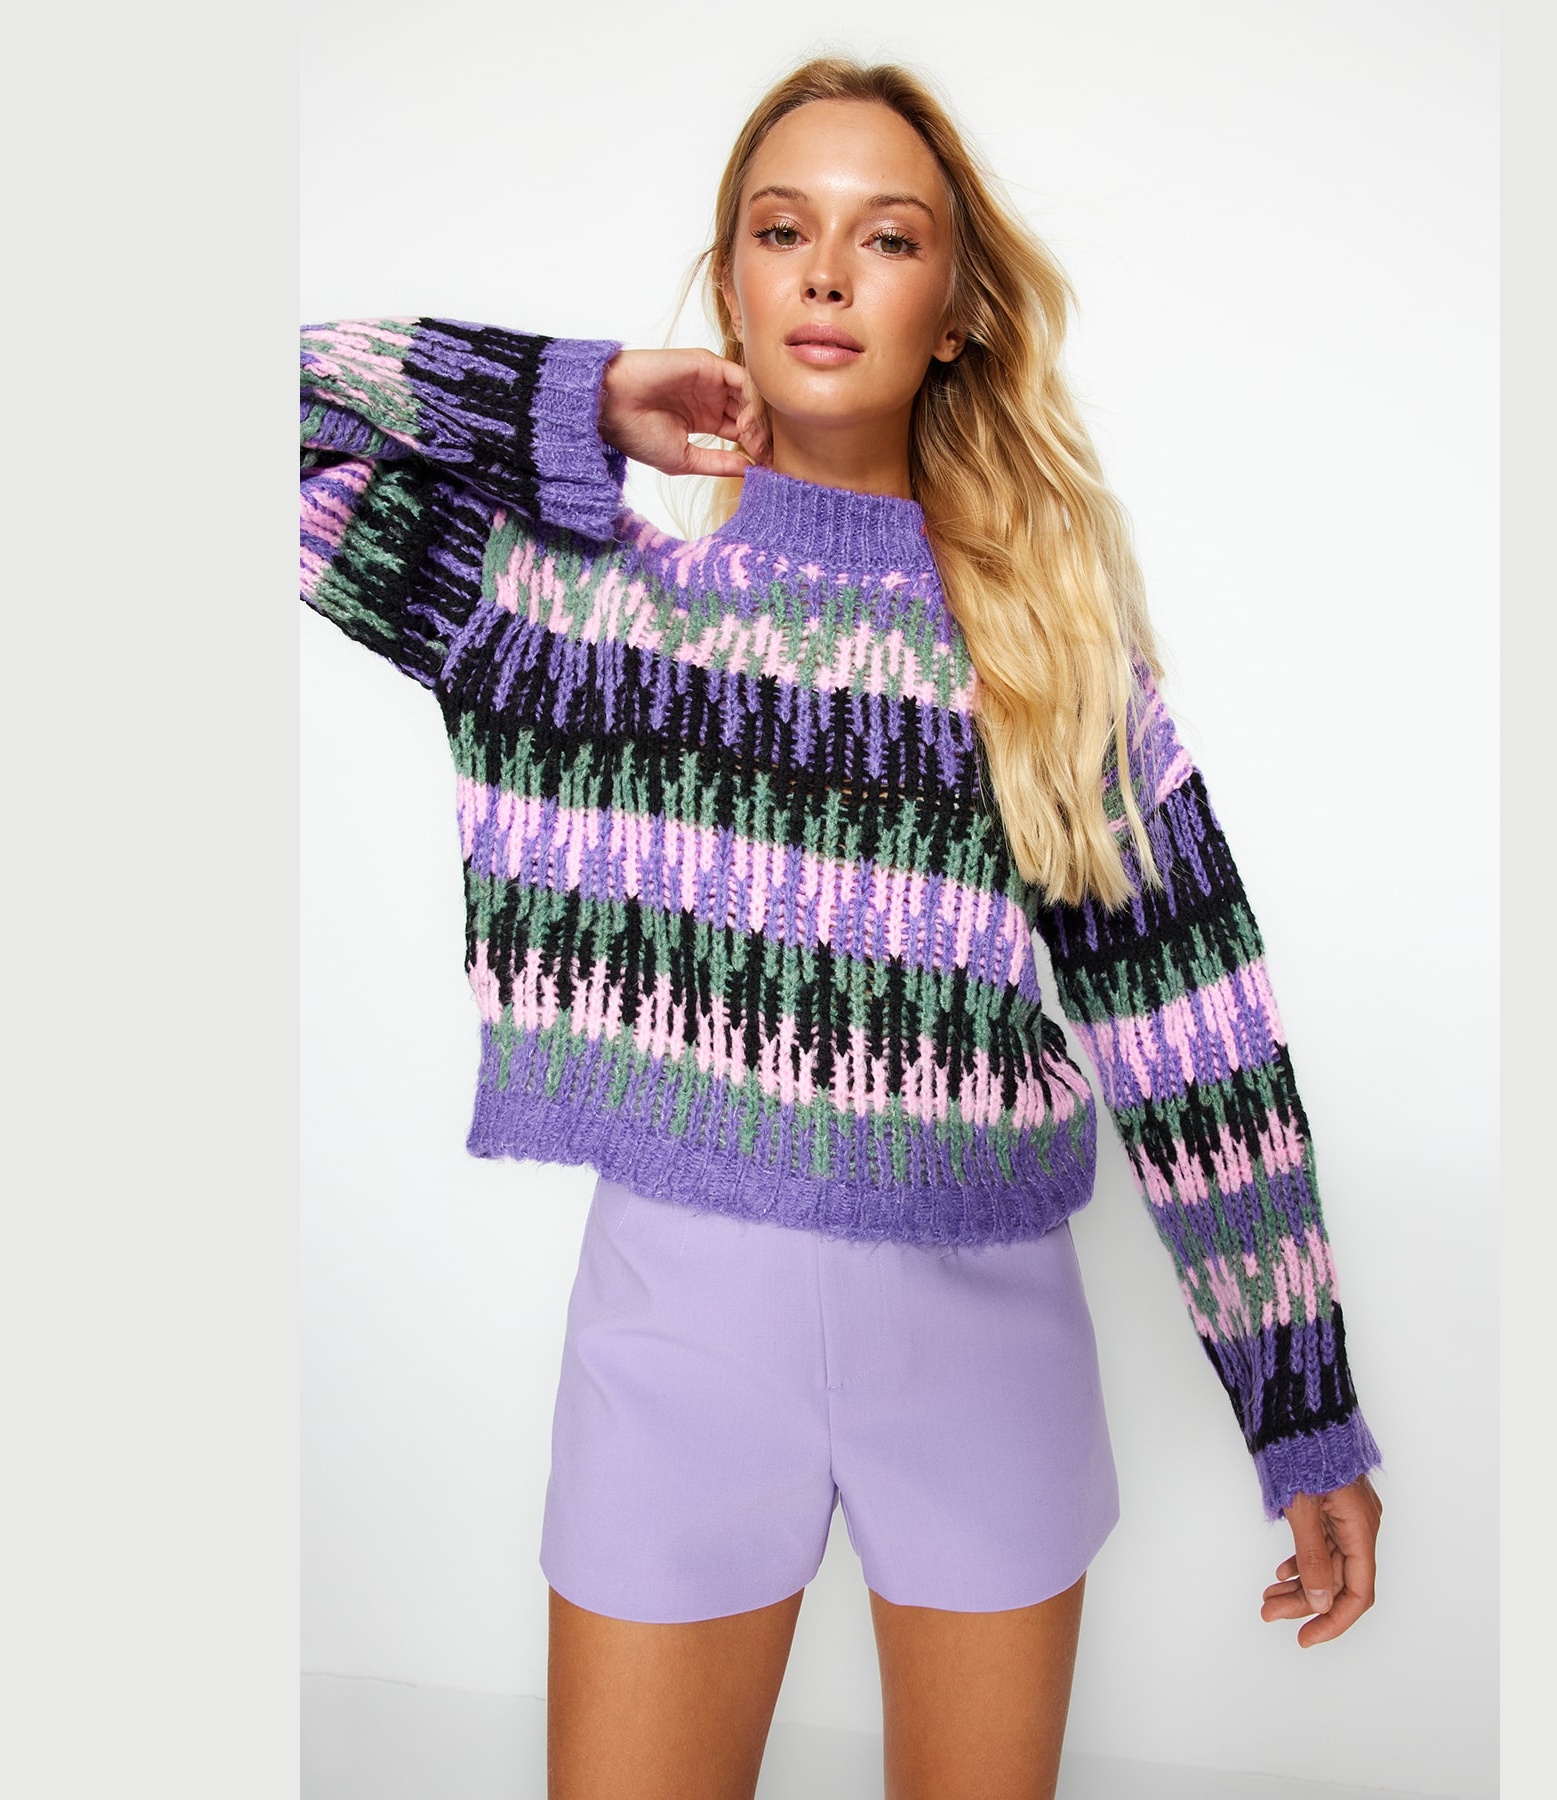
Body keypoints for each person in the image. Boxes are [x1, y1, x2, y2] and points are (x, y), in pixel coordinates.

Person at [300, 53, 1383, 1800]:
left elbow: (1195, 1034)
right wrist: (579, 396)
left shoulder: (1048, 660)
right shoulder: (574, 618)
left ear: (954, 314)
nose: (824, 274)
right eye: (780, 229)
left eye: (887, 238)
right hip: (674, 1345)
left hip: (983, 1353)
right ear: (727, 280)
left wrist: (1300, 1400)